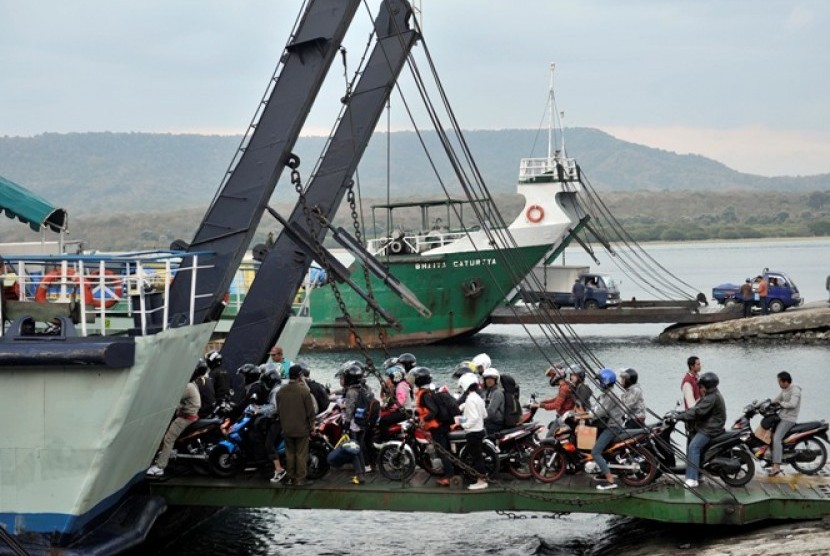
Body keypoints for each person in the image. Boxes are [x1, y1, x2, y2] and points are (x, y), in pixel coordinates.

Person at [672, 371, 726, 489]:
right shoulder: (712, 395)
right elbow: (697, 408)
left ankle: (692, 479)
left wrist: (678, 417)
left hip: (710, 428)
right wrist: (680, 413)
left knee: (693, 447)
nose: (700, 388)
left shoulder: (711, 397)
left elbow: (697, 411)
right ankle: (699, 474)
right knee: (697, 448)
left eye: (701, 386)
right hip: (710, 426)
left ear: (706, 386)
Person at [146, 364, 202, 477]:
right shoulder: (193, 385)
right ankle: (167, 454)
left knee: (168, 439)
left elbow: (172, 398)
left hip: (185, 418)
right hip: (191, 416)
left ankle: (160, 467)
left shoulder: (188, 387)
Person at [412, 366, 454, 486]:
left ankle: (448, 477)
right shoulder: (432, 390)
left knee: (442, 451)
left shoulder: (425, 394)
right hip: (443, 424)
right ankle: (450, 471)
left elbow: (433, 410)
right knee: (446, 450)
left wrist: (423, 419)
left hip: (437, 427)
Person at [276, 364, 316, 486]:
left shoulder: (280, 391)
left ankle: (290, 477)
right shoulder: (304, 391)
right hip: (301, 428)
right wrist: (312, 426)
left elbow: (279, 410)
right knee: (301, 454)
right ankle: (300, 479)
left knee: (290, 453)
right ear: (299, 376)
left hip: (287, 428)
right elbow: (310, 411)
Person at [587, 369, 627, 490]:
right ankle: (603, 471)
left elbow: (599, 412)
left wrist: (584, 415)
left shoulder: (610, 396)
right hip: (608, 425)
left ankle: (611, 481)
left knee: (595, 452)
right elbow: (595, 408)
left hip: (612, 427)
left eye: (600, 380)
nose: (599, 383)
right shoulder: (605, 394)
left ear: (605, 381)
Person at [254, 369, 287, 483]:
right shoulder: (282, 387)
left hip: (278, 420)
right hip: (286, 419)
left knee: (269, 444)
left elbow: (274, 408)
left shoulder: (275, 391)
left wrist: (259, 410)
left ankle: (279, 469)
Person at [457, 373, 488, 490]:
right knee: (478, 456)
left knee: (477, 458)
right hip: (480, 430)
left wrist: (463, 424)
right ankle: (481, 479)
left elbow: (474, 417)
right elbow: (484, 414)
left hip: (473, 433)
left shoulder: (470, 399)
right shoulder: (478, 398)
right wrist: (465, 411)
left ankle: (481, 481)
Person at [768, 371, 802, 476]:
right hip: (782, 416)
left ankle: (776, 465)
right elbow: (776, 400)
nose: (778, 383)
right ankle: (772, 456)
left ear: (785, 381)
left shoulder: (795, 390)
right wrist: (767, 403)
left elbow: (792, 404)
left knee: (776, 439)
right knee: (770, 434)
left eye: (779, 381)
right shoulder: (785, 390)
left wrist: (780, 404)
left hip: (789, 419)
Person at [342, 364, 371, 485]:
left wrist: (346, 425)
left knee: (353, 450)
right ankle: (362, 472)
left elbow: (349, 410)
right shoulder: (363, 389)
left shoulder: (351, 392)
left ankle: (360, 476)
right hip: (363, 423)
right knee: (359, 448)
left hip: (354, 424)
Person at [681, 356, 702, 446]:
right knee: (693, 441)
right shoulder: (687, 382)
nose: (700, 366)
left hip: (698, 414)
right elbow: (691, 404)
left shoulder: (697, 378)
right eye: (698, 364)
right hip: (692, 417)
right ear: (692, 366)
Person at [481, 368, 505, 436]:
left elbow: (491, 411)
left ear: (496, 380)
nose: (489, 381)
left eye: (491, 379)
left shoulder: (497, 393)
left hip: (496, 423)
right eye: (487, 379)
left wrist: (479, 417)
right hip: (490, 421)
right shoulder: (488, 391)